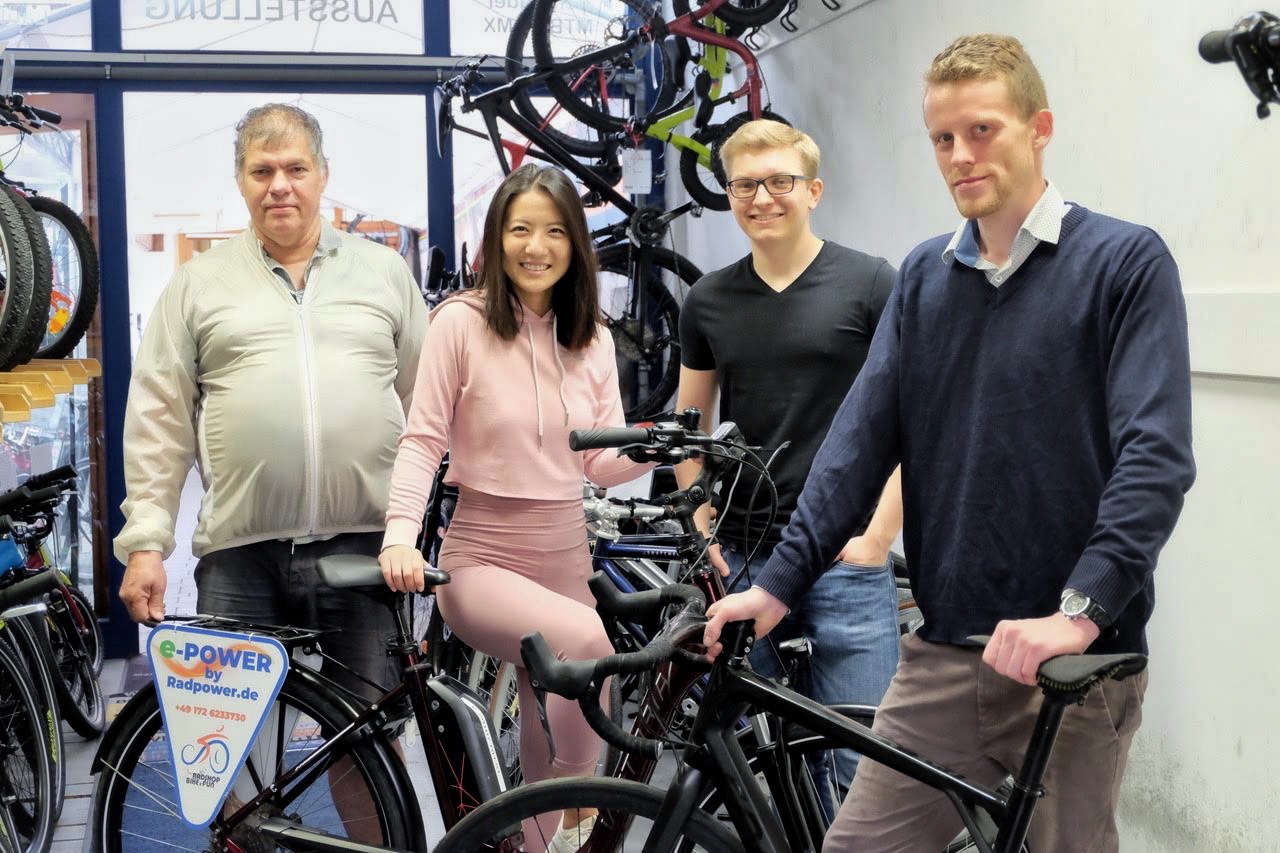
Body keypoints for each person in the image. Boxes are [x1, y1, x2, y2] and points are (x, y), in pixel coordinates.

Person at [704, 34, 1195, 852]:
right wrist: (779, 585)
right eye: (942, 137)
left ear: (1039, 128)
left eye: (982, 130)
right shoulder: (926, 278)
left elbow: (1157, 456)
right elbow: (857, 446)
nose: (960, 155)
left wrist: (1079, 611)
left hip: (1073, 667)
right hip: (943, 656)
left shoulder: (1123, 262)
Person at [114, 103, 426, 844]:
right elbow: (158, 419)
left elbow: (428, 410)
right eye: (262, 171)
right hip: (240, 554)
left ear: (323, 176)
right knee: (227, 748)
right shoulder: (198, 284)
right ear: (240, 181)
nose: (279, 185)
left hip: (364, 549)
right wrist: (146, 542)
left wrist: (420, 522)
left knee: (368, 741)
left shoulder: (384, 273)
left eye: (295, 168)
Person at [378, 163, 650, 852]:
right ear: (496, 238)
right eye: (520, 229)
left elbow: (598, 463)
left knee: (544, 713)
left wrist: (652, 445)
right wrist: (400, 535)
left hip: (565, 552)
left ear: (575, 244)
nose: (537, 247)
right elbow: (423, 439)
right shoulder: (459, 322)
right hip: (482, 557)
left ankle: (538, 842)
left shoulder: (591, 336)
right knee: (588, 646)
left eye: (555, 231)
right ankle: (579, 814)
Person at [675, 119, 901, 815]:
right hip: (745, 559)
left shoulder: (870, 282)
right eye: (745, 185)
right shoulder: (708, 300)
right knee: (763, 770)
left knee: (864, 771)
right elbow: (689, 426)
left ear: (813, 191)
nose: (762, 198)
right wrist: (702, 526)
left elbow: (914, 419)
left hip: (846, 559)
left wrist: (878, 538)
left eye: (779, 181)